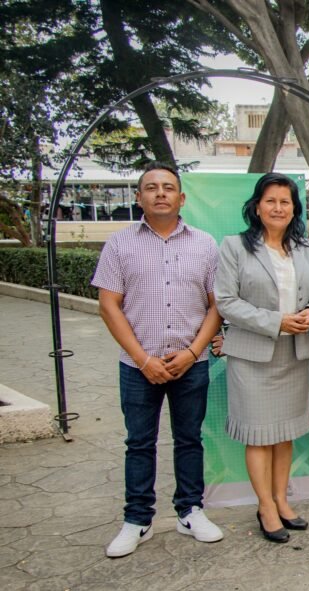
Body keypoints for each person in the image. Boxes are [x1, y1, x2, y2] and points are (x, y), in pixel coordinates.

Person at [92, 161, 224, 558]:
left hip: (190, 363)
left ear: (181, 198)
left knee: (189, 439)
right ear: (139, 197)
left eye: (168, 187)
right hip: (138, 366)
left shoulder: (205, 244)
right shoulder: (119, 244)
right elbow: (108, 305)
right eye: (151, 187)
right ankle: (137, 519)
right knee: (139, 442)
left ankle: (190, 510)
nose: (160, 193)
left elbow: (216, 305)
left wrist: (192, 352)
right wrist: (143, 359)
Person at [214, 173, 309, 544]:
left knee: (284, 433)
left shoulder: (307, 249)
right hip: (252, 358)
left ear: (294, 208)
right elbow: (226, 301)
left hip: (294, 354)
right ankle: (265, 507)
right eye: (270, 201)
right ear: (257, 207)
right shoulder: (235, 247)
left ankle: (282, 500)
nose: (278, 208)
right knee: (259, 436)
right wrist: (276, 322)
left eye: (285, 202)